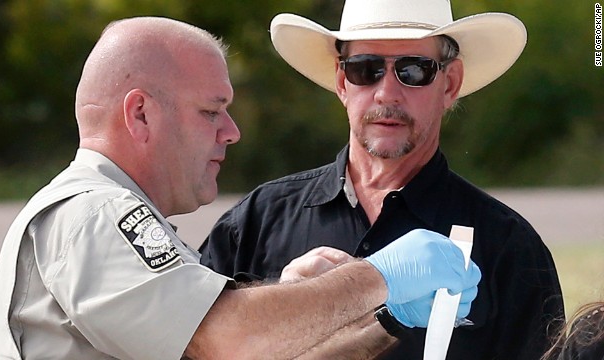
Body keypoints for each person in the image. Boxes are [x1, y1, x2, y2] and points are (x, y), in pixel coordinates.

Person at [0, 16, 481, 360]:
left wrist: (383, 322)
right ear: (141, 114)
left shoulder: (106, 213)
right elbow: (226, 340)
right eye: (210, 111)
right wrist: (378, 277)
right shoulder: (95, 213)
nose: (231, 131)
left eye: (413, 70)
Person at [200, 0, 565, 359]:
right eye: (365, 68)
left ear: (450, 84)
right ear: (342, 82)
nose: (387, 93)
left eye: (414, 70)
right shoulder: (255, 223)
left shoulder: (510, 249)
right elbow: (187, 344)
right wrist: (283, 303)